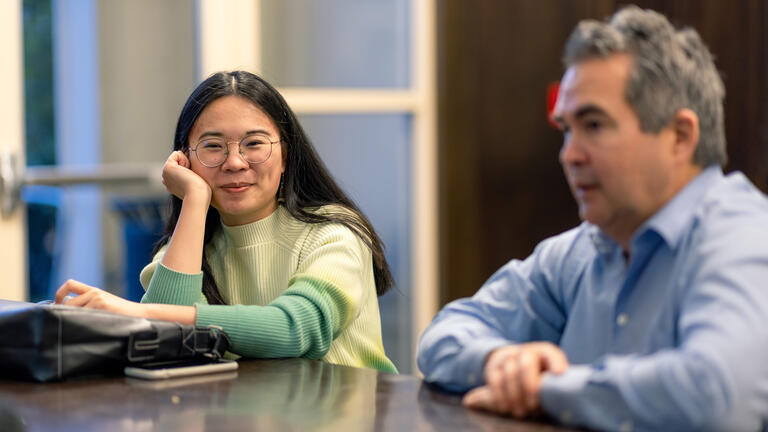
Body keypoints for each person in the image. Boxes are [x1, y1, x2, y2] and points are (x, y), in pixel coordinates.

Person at [417, 5, 768, 430]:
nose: (569, 154)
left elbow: (715, 395)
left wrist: (545, 389)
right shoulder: (583, 249)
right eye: (566, 128)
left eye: (594, 125)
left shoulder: (743, 236)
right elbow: (445, 333)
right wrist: (501, 361)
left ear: (679, 137)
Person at [56, 71, 398, 374]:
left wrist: (133, 312)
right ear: (185, 159)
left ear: (285, 156)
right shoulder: (189, 247)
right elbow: (172, 345)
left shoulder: (334, 235)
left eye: (254, 144)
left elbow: (294, 330)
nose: (234, 162)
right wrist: (194, 200)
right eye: (213, 146)